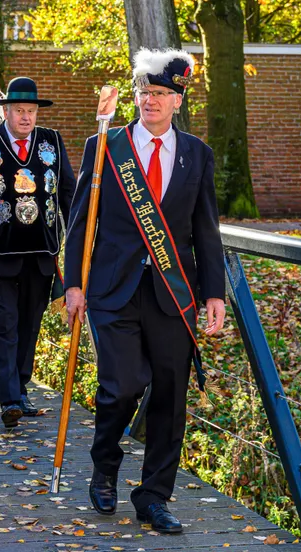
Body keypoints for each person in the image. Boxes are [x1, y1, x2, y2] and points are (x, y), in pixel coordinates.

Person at [64, 49, 226, 533]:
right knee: (122, 385)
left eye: (160, 94)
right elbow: (79, 225)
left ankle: (154, 495)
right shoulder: (105, 146)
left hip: (174, 293)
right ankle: (105, 468)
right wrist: (73, 282)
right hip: (112, 289)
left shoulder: (198, 154)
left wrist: (213, 293)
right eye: (143, 93)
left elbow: (206, 229)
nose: (149, 101)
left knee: (171, 395)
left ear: (178, 100)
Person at [0, 77, 75, 428]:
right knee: (5, 324)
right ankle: (8, 397)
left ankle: (21, 388)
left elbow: (68, 193)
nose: (26, 117)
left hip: (41, 252)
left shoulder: (52, 142)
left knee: (29, 325)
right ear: (6, 111)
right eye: (19, 111)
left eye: (31, 111)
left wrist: (84, 235)